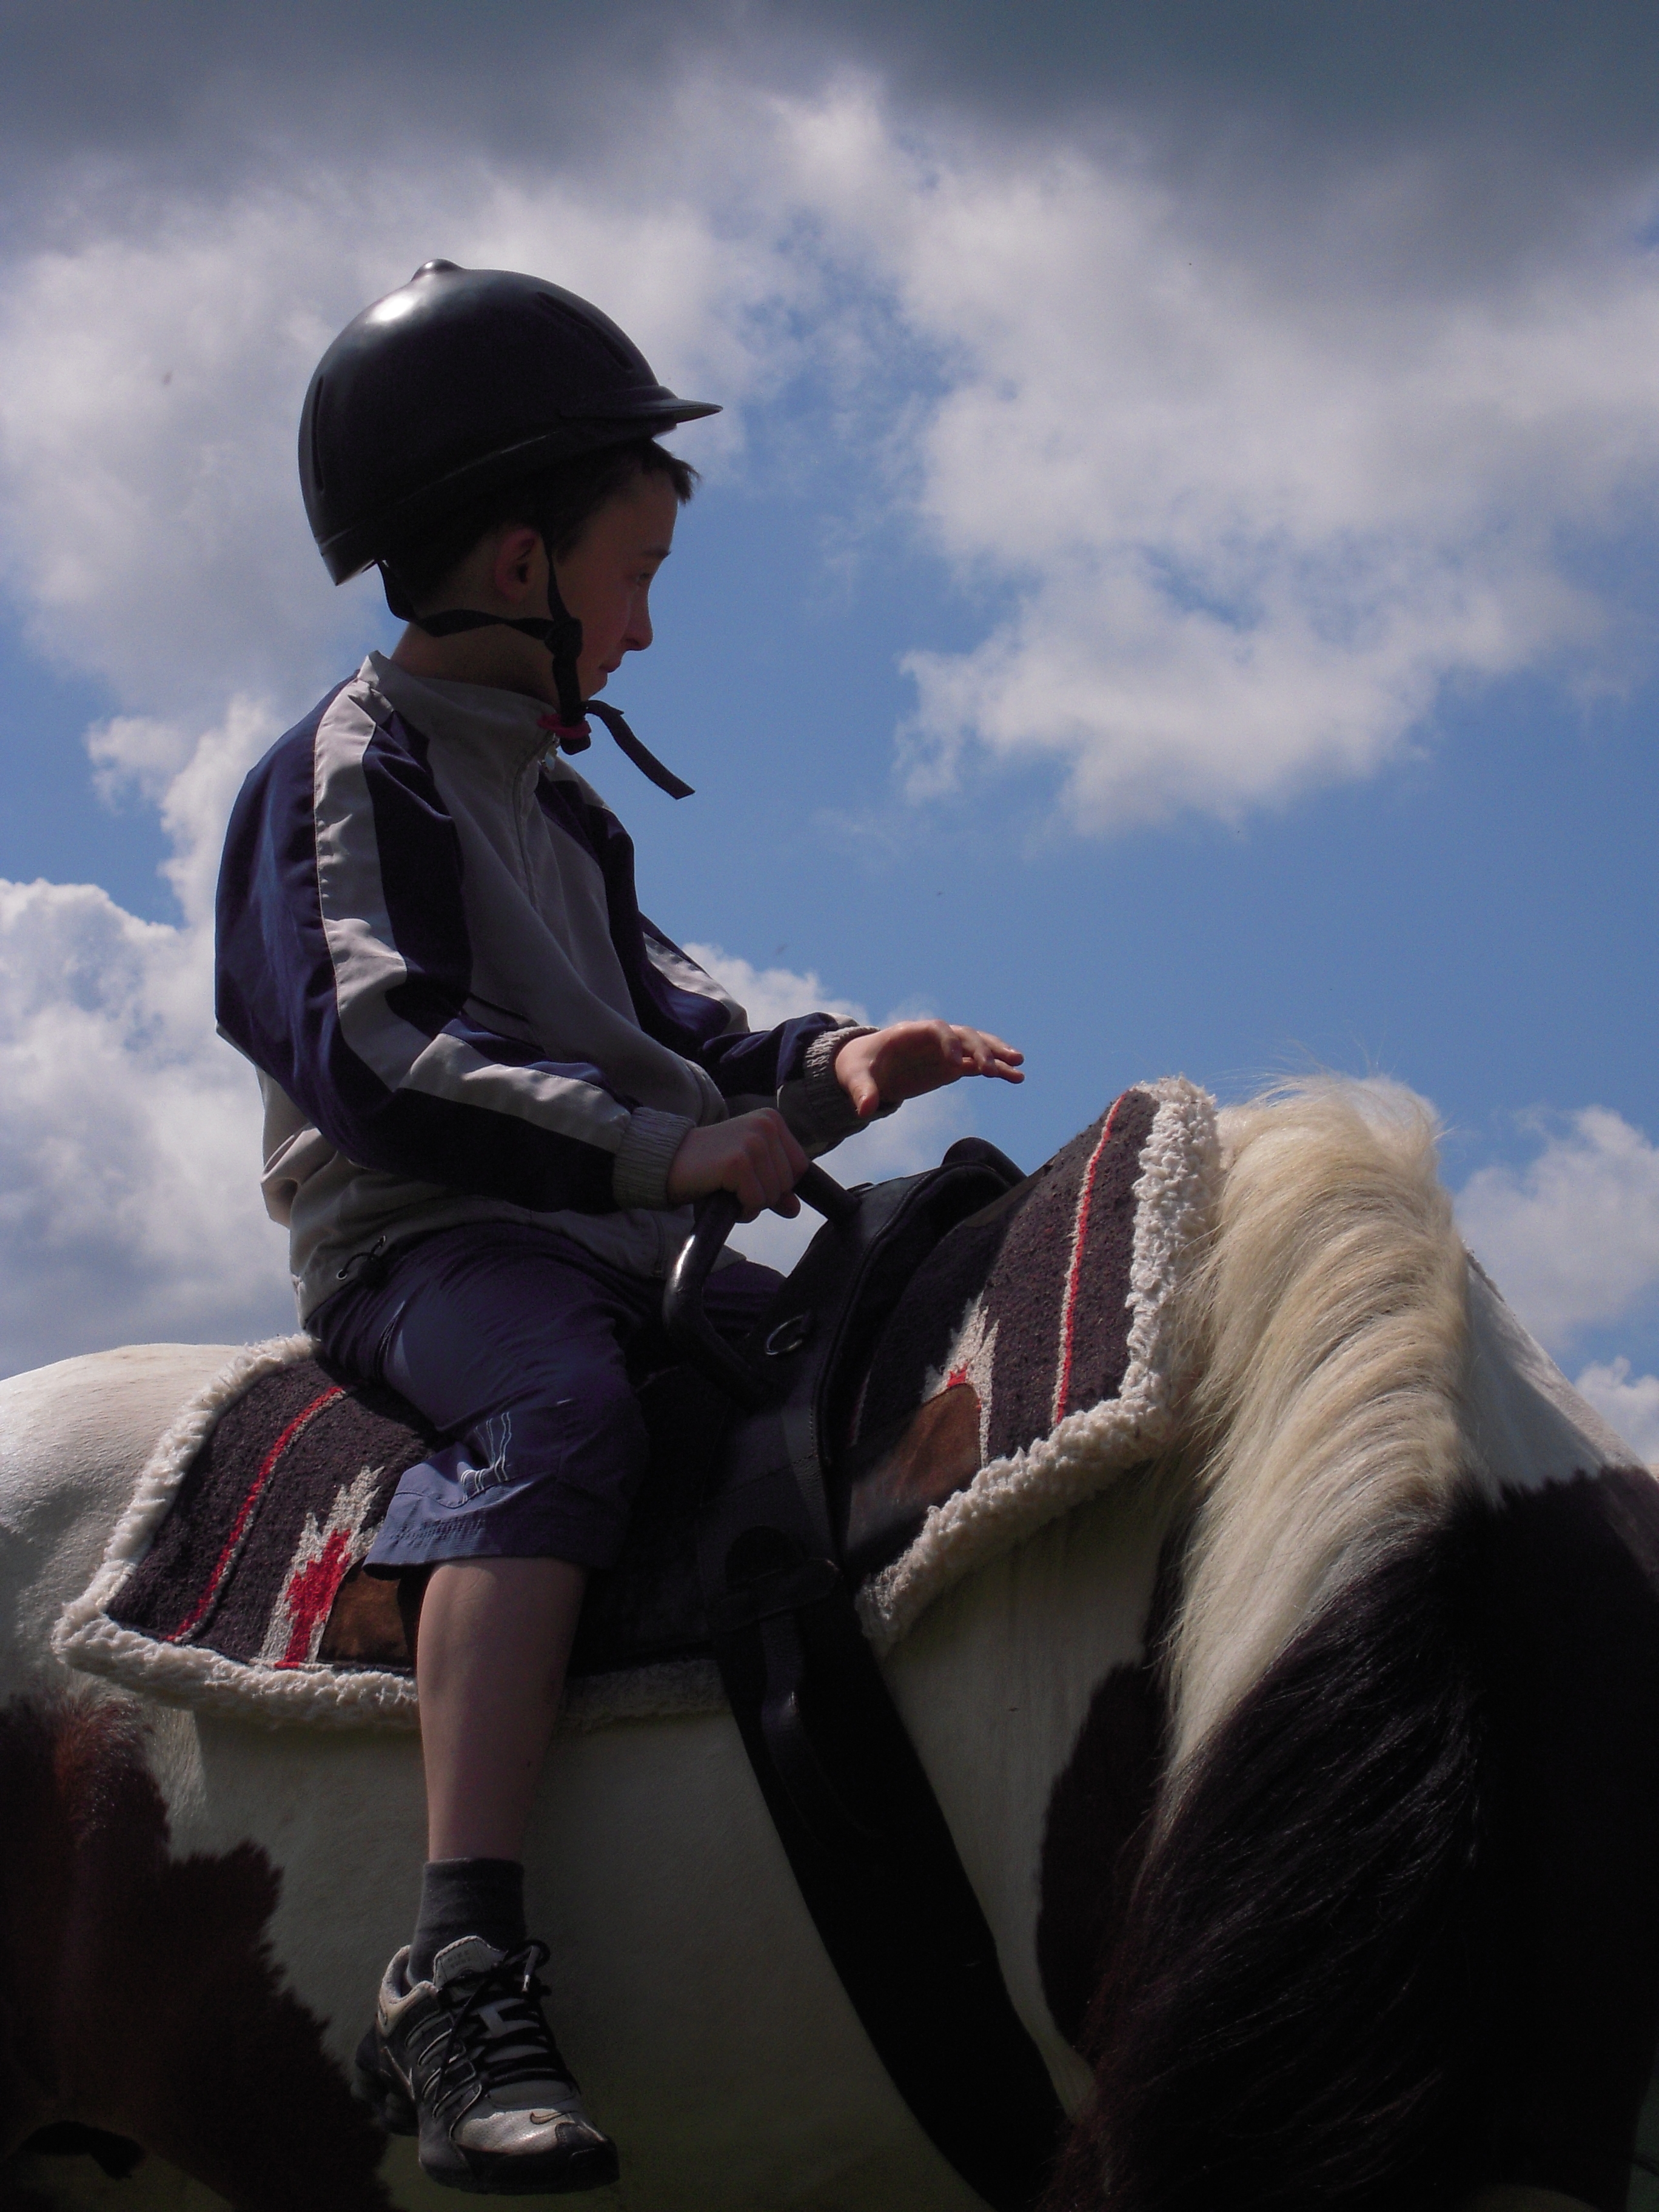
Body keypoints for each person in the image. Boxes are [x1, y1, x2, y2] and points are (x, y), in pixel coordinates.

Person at [215, 261, 1024, 2196]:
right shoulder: (352, 769)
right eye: (634, 577)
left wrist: (835, 1063)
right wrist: (665, 1162)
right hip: (428, 1246)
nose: (648, 628)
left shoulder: (563, 809)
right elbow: (383, 1057)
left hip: (600, 1234)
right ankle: (460, 1967)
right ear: (521, 563)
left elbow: (679, 1029)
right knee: (564, 1413)